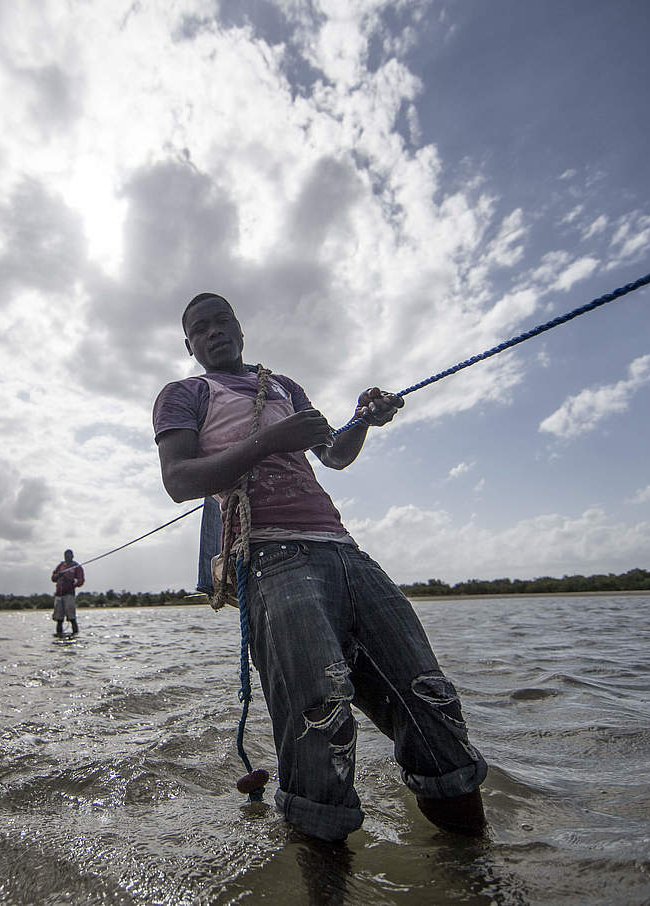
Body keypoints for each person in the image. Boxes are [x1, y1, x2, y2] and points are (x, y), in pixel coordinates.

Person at [152, 292, 488, 842]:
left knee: (431, 699)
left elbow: (333, 455)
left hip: (345, 552)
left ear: (240, 328)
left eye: (223, 321)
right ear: (188, 345)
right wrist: (270, 442)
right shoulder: (184, 394)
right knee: (319, 719)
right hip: (271, 559)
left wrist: (362, 418)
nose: (214, 332)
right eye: (200, 328)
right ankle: (325, 871)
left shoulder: (283, 387)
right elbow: (179, 481)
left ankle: (477, 873)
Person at [50, 549, 85, 636]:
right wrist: (58, 575)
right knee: (59, 620)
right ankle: (59, 636)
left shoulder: (76, 567)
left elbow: (80, 581)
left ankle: (75, 636)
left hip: (69, 595)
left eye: (69, 556)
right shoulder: (60, 566)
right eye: (66, 556)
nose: (67, 557)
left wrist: (71, 582)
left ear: (72, 556)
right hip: (59, 595)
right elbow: (53, 578)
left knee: (72, 618)